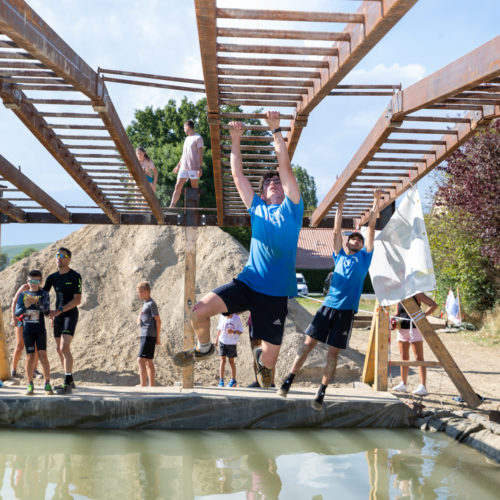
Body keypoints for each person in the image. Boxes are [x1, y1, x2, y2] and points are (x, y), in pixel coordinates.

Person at [172, 111, 303, 390]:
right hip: (248, 283)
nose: (273, 184)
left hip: (276, 294)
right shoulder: (257, 208)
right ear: (263, 194)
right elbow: (237, 174)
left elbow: (285, 167)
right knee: (197, 312)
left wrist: (275, 129)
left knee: (268, 367)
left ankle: (261, 366)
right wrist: (235, 139)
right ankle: (205, 348)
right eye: (267, 184)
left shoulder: (293, 209)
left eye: (276, 182)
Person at [277, 189, 383, 410]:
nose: (356, 241)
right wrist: (340, 205)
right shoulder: (340, 256)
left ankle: (321, 392)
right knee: (307, 345)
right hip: (327, 308)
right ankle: (288, 380)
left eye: (359, 240)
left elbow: (371, 228)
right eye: (353, 238)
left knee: (333, 353)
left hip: (346, 312)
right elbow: (336, 231)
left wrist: (376, 201)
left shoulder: (365, 259)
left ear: (362, 245)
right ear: (348, 243)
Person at [44, 247, 82, 395]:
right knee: (60, 349)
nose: (59, 258)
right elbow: (43, 295)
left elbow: (77, 300)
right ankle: (70, 379)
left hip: (70, 314)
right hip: (58, 316)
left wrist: (58, 311)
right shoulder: (52, 277)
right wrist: (46, 311)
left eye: (62, 256)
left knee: (64, 346)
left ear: (69, 259)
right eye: (57, 255)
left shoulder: (75, 276)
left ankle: (66, 382)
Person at [14, 269, 53, 395]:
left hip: (40, 330)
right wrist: (25, 306)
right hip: (27, 330)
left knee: (43, 355)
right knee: (30, 356)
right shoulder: (23, 294)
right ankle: (30, 384)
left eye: (36, 281)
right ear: (28, 281)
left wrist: (37, 303)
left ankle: (47, 384)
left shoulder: (44, 293)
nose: (33, 284)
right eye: (31, 281)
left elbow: (46, 311)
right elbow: (17, 313)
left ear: (40, 282)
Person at [392, 293, 437, 396]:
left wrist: (423, 315)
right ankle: (403, 384)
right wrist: (392, 319)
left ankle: (423, 386)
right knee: (403, 358)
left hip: (415, 329)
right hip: (402, 329)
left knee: (419, 358)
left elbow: (434, 305)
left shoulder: (417, 294)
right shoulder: (399, 294)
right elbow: (398, 312)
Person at [9, 285, 42, 380]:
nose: (34, 281)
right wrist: (13, 318)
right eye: (32, 279)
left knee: (35, 346)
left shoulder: (40, 290)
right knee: (20, 345)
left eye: (37, 280)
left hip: (33, 318)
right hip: (20, 318)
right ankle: (13, 369)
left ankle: (34, 369)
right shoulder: (24, 287)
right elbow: (14, 301)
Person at [169, 120, 204, 207]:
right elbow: (184, 154)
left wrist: (200, 168)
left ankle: (195, 208)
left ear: (187, 127)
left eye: (184, 128)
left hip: (194, 167)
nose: (184, 130)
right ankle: (171, 207)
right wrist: (177, 166)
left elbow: (200, 154)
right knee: (177, 186)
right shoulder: (186, 139)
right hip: (183, 167)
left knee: (194, 187)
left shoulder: (198, 138)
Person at [136, 281, 161, 387]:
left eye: (139, 292)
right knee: (148, 360)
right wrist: (139, 318)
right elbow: (143, 315)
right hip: (145, 334)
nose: (138, 294)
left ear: (145, 292)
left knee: (140, 360)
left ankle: (143, 385)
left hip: (148, 334)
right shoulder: (146, 303)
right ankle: (151, 386)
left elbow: (158, 320)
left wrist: (158, 337)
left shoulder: (151, 303)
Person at [247, 313, 275, 388]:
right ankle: (257, 381)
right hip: (254, 321)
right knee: (255, 351)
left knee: (268, 351)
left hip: (265, 320)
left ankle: (271, 382)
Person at [214, 313, 243, 387]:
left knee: (231, 361)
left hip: (232, 343)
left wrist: (233, 332)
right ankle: (221, 381)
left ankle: (233, 381)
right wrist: (216, 340)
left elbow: (241, 331)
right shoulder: (222, 316)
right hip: (222, 341)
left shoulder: (236, 318)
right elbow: (219, 329)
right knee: (222, 361)